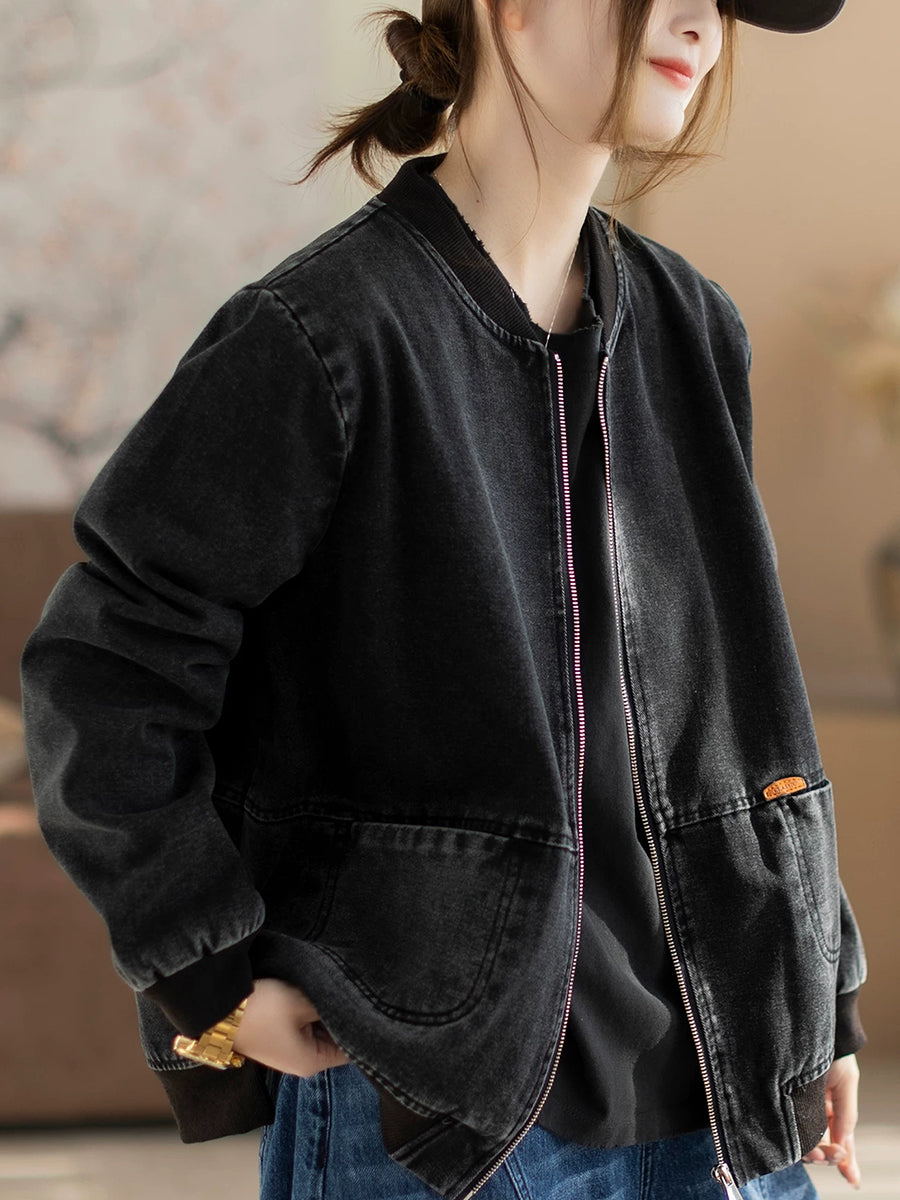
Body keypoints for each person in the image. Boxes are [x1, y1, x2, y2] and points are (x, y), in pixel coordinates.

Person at [18, 0, 868, 1197]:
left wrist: (817, 989)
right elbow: (104, 672)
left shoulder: (692, 327)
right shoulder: (321, 336)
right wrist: (209, 974)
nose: (701, 22)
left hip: (724, 1095)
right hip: (440, 1111)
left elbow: (738, 704)